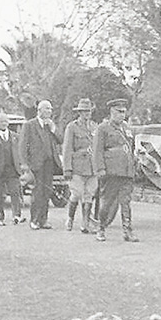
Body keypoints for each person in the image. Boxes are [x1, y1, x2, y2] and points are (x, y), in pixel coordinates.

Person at [92, 98, 138, 242]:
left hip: (126, 171)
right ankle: (101, 228)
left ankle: (127, 231)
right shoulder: (103, 128)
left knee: (126, 202)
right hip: (111, 171)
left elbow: (132, 148)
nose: (122, 115)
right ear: (112, 112)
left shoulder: (127, 128)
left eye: (124, 112)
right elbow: (97, 151)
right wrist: (100, 169)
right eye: (119, 112)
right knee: (106, 202)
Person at [20, 100, 62, 230]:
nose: (50, 111)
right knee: (37, 192)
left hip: (50, 164)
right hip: (36, 164)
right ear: (40, 110)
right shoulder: (30, 125)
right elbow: (22, 146)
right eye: (47, 109)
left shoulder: (50, 126)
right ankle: (35, 220)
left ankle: (44, 220)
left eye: (50, 109)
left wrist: (54, 129)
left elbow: (60, 140)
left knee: (47, 192)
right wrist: (25, 165)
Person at [62, 98, 98, 233]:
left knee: (89, 195)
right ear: (79, 112)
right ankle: (70, 218)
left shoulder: (95, 127)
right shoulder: (72, 127)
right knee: (77, 194)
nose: (87, 113)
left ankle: (85, 223)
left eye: (89, 111)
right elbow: (67, 149)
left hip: (92, 167)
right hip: (77, 167)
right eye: (84, 111)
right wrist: (67, 169)